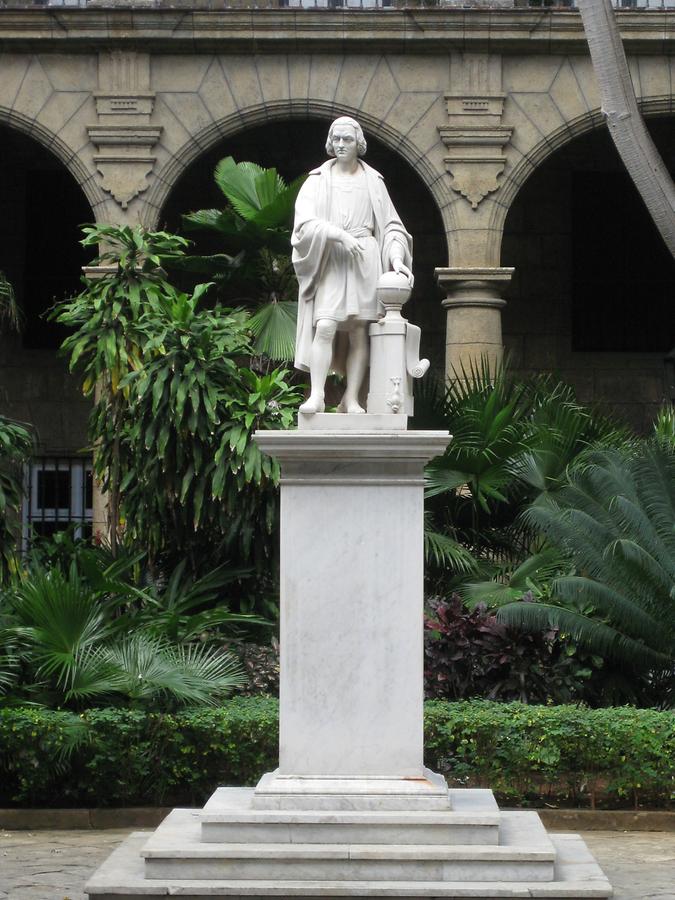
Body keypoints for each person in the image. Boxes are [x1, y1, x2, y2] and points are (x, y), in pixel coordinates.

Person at [292, 116, 414, 414]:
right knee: (325, 325)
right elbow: (304, 225)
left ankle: (351, 397)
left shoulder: (373, 181)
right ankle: (318, 394)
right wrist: (337, 234)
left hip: (365, 257)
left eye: (347, 139)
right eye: (337, 139)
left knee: (360, 330)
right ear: (330, 143)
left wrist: (396, 258)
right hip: (332, 258)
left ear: (359, 144)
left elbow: (392, 227)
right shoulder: (317, 180)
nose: (342, 144)